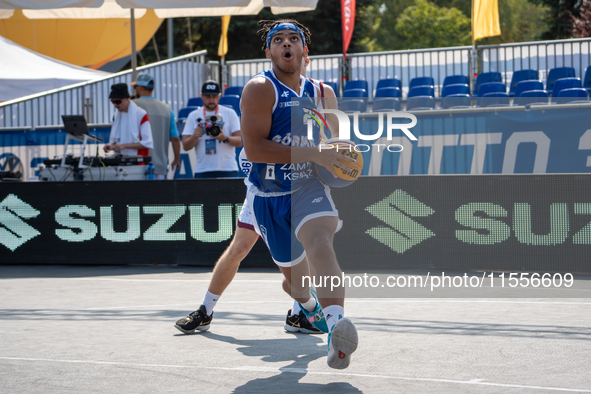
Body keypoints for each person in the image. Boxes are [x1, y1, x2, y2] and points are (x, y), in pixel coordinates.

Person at [173, 56, 337, 336]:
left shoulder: (313, 98)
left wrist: (324, 153)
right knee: (238, 250)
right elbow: (254, 147)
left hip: (297, 188)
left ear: (306, 59)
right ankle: (206, 310)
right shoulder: (266, 93)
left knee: (303, 251)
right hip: (262, 190)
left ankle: (300, 313)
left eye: (300, 57)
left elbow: (327, 140)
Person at [240, 19, 358, 369]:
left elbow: (334, 146)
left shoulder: (324, 93)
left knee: (320, 241)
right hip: (269, 195)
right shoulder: (261, 88)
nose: (287, 44)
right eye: (279, 40)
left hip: (308, 186)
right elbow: (255, 150)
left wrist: (344, 157)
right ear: (269, 51)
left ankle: (337, 331)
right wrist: (315, 153)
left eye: (294, 39)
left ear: (305, 51)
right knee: (296, 285)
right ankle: (308, 310)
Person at [182, 80, 242, 178]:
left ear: (220, 96)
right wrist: (194, 136)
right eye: (208, 97)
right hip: (203, 169)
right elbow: (185, 146)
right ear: (201, 96)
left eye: (214, 96)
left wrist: (225, 138)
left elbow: (240, 141)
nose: (211, 100)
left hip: (227, 168)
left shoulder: (230, 113)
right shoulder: (193, 116)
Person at [132, 73, 181, 180]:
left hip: (136, 164)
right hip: (159, 166)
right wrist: (177, 158)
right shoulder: (167, 109)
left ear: (139, 88)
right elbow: (175, 138)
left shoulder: (132, 106)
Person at [104, 83, 153, 157]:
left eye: (118, 101)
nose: (115, 105)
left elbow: (147, 142)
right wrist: (110, 145)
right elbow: (116, 140)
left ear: (127, 98)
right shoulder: (116, 115)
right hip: (121, 160)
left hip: (138, 161)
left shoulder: (141, 114)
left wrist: (124, 146)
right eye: (113, 102)